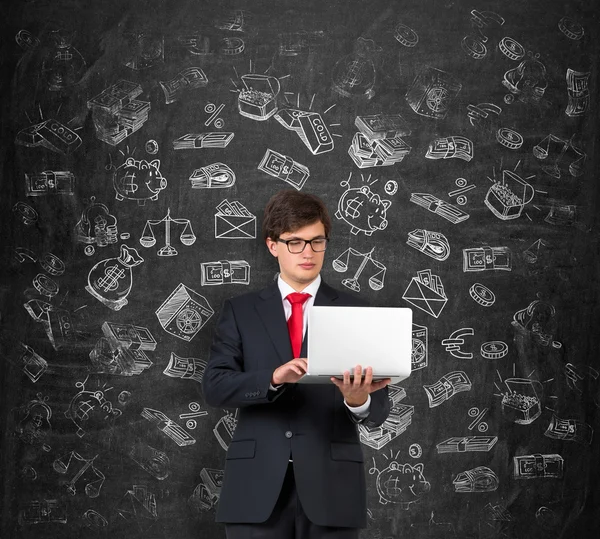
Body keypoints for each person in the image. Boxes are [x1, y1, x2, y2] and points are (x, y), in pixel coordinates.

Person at [202, 190, 391, 539]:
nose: (308, 253)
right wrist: (273, 377)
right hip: (254, 488)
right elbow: (215, 386)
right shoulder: (240, 311)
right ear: (272, 245)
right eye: (295, 242)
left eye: (317, 241)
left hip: (333, 489)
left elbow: (378, 409)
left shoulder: (357, 311)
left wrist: (357, 399)